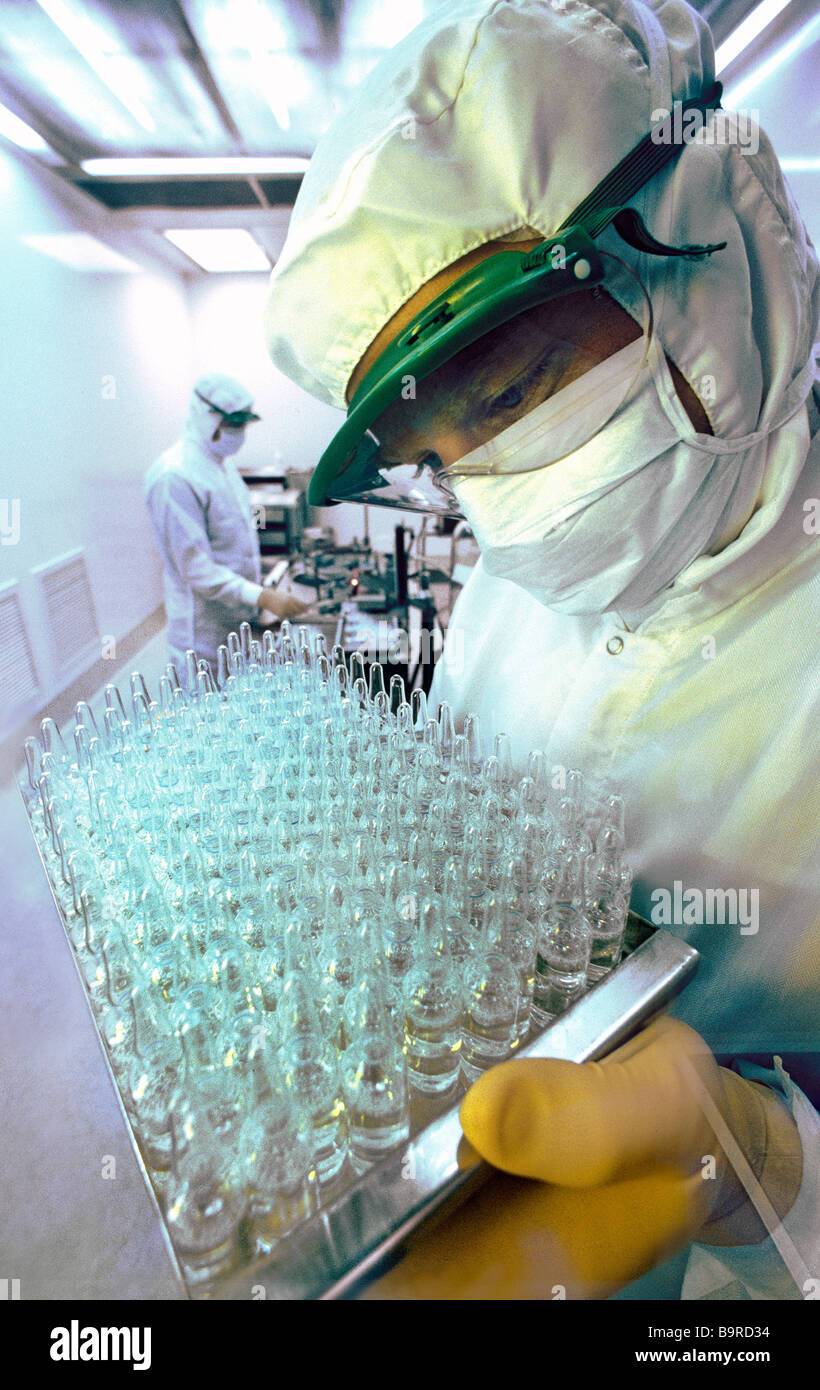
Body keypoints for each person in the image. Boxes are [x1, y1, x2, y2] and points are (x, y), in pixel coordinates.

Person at [263, 0, 820, 1299]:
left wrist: (759, 1163)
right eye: (442, 455)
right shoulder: (513, 589)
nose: (505, 497)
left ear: (705, 233)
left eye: (511, 393)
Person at [145, 373, 306, 672]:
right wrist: (262, 596)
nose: (239, 433)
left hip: (236, 622)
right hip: (202, 636)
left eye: (243, 424)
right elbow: (196, 568)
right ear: (205, 416)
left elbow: (236, 541)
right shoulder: (174, 477)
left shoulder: (223, 467)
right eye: (233, 424)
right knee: (206, 695)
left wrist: (260, 588)